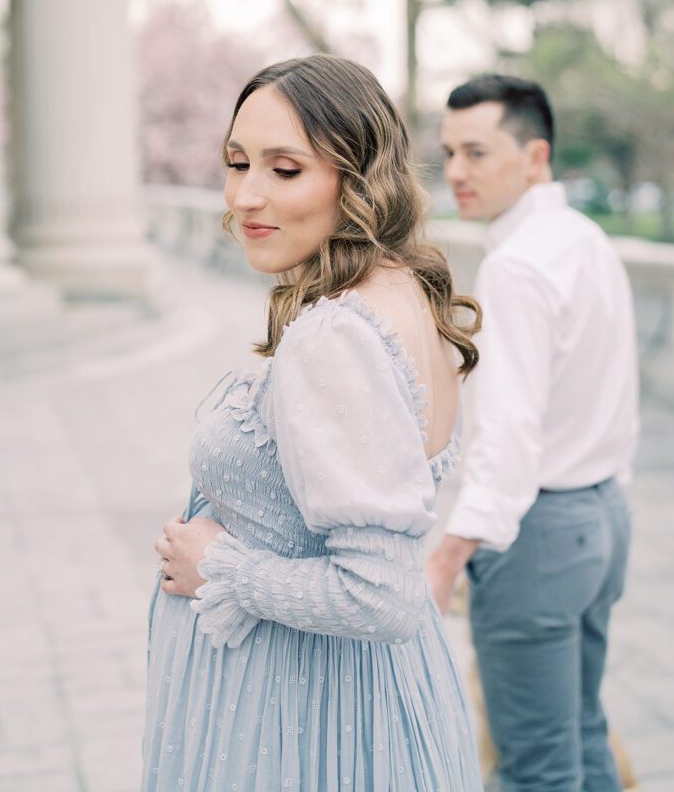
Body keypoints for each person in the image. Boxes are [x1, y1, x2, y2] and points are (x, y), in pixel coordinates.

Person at [142, 54, 485, 792]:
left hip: (306, 717)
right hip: (366, 694)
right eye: (237, 163)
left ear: (357, 179)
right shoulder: (405, 294)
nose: (245, 196)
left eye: (286, 169)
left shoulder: (336, 337)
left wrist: (222, 568)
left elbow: (383, 595)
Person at [426, 75, 639, 792]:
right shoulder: (585, 238)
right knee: (581, 732)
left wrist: (450, 555)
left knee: (532, 768)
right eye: (450, 152)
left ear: (535, 156)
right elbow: (619, 397)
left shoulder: (516, 265)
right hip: (601, 516)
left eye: (477, 153)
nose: (456, 171)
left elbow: (508, 435)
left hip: (542, 533)